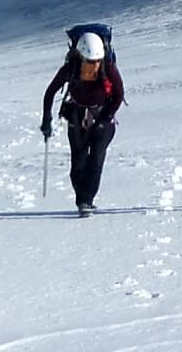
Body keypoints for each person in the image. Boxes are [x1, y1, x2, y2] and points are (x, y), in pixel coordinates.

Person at [40, 30, 124, 216]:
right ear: (80, 55)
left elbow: (119, 94)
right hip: (77, 117)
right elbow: (50, 92)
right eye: (89, 61)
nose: (93, 66)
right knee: (78, 162)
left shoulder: (107, 67)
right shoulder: (71, 68)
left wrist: (107, 117)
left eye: (96, 62)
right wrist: (46, 119)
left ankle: (86, 201)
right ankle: (82, 199)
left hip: (102, 117)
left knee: (96, 159)